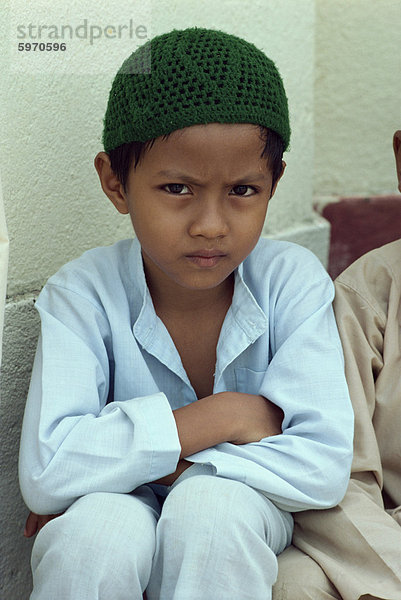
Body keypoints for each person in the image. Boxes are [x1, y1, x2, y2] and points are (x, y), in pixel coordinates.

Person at [19, 28, 353, 600]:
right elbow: (48, 472)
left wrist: (159, 465)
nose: (211, 224)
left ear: (275, 183)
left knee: (212, 510)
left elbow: (322, 465)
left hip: (237, 505)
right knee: (96, 532)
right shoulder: (82, 292)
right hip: (118, 503)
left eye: (244, 190)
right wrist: (225, 417)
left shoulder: (291, 282)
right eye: (177, 187)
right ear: (114, 183)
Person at [273, 130, 401, 599]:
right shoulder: (367, 296)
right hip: (385, 533)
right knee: (291, 583)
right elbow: (333, 474)